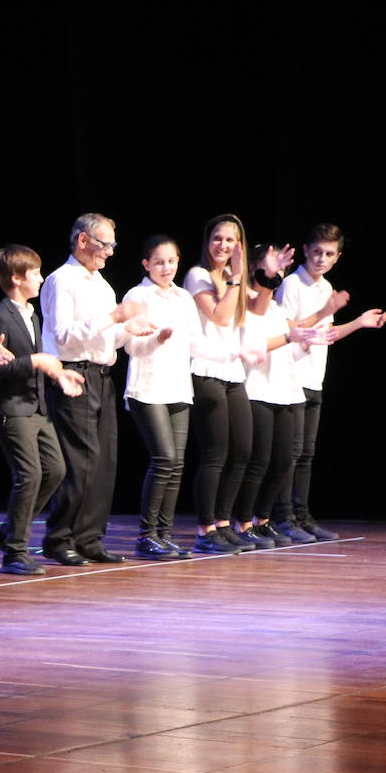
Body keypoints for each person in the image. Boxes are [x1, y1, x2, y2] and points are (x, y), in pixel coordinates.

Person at [122, 236, 264, 559]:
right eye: (159, 262)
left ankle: (165, 533)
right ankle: (147, 535)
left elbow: (196, 343)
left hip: (178, 388)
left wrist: (235, 351)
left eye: (171, 261)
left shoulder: (183, 298)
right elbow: (129, 345)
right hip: (148, 388)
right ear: (146, 264)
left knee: (177, 464)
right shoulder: (138, 295)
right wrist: (157, 338)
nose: (166, 268)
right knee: (164, 459)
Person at [38, 213, 152, 566]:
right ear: (83, 241)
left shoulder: (102, 285)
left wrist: (129, 327)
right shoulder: (62, 280)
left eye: (113, 245)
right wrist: (114, 318)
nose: (110, 252)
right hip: (72, 374)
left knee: (104, 462)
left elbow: (106, 338)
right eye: (105, 244)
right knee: (80, 462)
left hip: (101, 376)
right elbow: (63, 335)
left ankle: (90, 537)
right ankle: (60, 538)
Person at [273, 223, 386, 541]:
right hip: (290, 377)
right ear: (306, 250)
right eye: (317, 252)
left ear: (337, 257)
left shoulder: (326, 288)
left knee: (306, 453)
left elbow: (329, 335)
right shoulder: (292, 285)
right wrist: (322, 315)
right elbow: (284, 329)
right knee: (291, 453)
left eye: (329, 254)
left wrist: (360, 322)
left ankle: (302, 515)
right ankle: (284, 518)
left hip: (314, 377)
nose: (322, 259)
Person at [0, 244, 82, 574]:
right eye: (35, 273)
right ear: (15, 278)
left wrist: (57, 372)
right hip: (11, 408)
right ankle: (15, 551)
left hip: (35, 406)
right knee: (29, 474)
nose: (40, 279)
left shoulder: (31, 314)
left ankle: (9, 529)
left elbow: (38, 363)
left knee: (55, 470)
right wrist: (34, 361)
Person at [230, 243, 331, 547]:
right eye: (272, 268)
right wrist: (291, 336)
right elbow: (258, 344)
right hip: (258, 390)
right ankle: (243, 522)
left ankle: (263, 521)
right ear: (258, 270)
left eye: (280, 268)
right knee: (258, 462)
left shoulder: (275, 308)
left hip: (286, 391)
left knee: (284, 461)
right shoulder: (247, 304)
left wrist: (320, 325)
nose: (278, 274)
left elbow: (295, 338)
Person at [183, 213, 262, 555]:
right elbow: (219, 315)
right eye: (217, 238)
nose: (223, 245)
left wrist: (259, 277)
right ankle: (206, 528)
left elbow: (252, 313)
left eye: (230, 240)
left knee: (242, 451)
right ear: (207, 240)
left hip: (233, 371)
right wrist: (235, 281)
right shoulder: (197, 275)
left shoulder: (234, 278)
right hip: (205, 370)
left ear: (239, 245)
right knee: (215, 454)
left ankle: (224, 523)